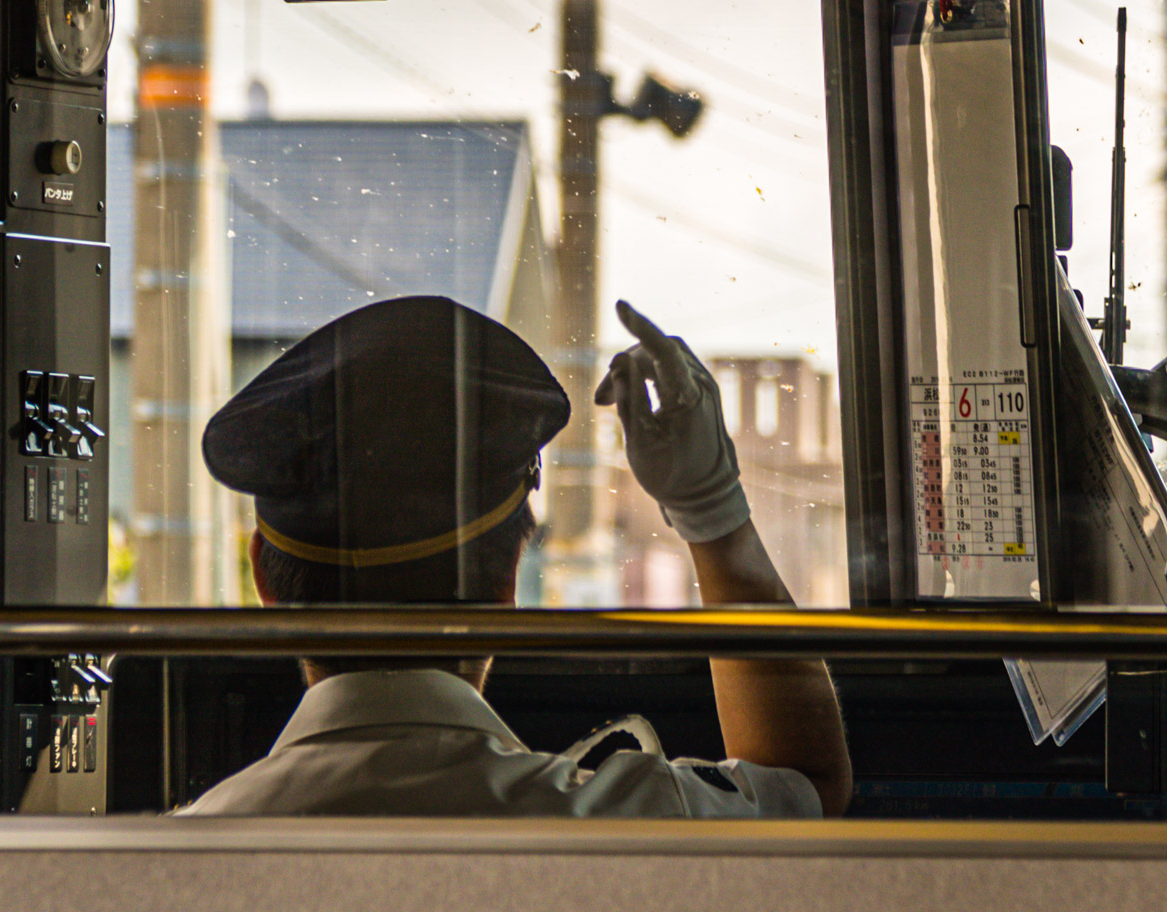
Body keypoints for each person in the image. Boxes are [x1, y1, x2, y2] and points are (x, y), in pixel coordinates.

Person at [175, 294, 852, 818]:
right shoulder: (627, 823)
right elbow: (806, 785)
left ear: (266, 580)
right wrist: (712, 512)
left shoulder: (174, 853)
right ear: (505, 585)